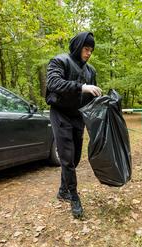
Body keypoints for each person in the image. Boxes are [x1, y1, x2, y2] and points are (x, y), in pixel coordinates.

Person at [46, 32, 102, 218]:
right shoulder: (59, 61)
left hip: (78, 116)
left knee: (76, 157)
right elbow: (54, 83)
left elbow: (92, 96)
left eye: (91, 50)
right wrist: (81, 86)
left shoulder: (90, 71)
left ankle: (63, 190)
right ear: (78, 46)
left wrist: (103, 103)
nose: (88, 53)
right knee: (67, 157)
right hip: (60, 113)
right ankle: (74, 196)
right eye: (86, 49)